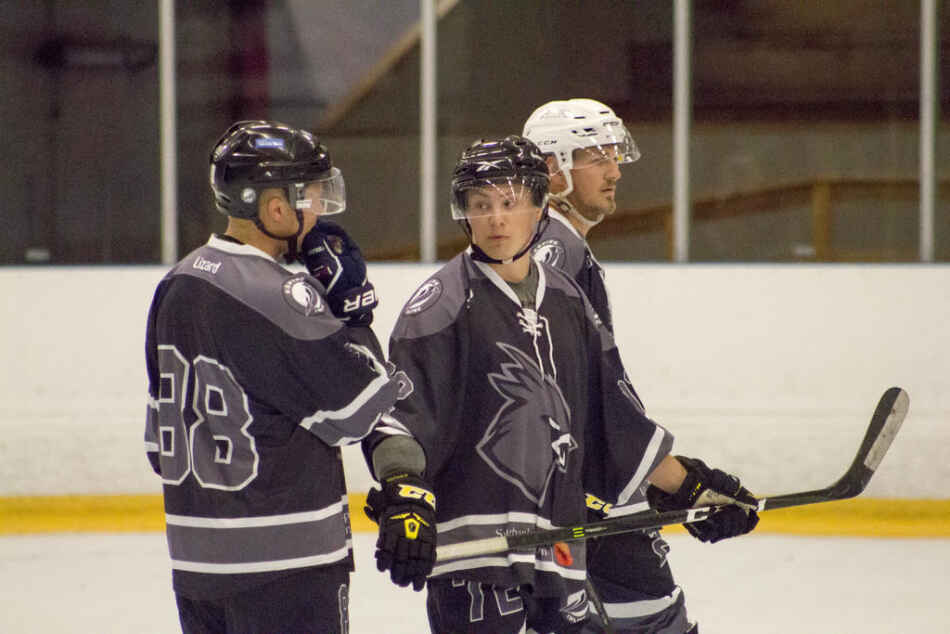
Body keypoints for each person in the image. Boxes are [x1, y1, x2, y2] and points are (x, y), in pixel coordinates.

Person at [361, 135, 758, 633]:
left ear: (539, 205)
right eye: (480, 205)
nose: (496, 219)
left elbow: (613, 420)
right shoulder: (441, 304)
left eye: (509, 202)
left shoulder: (568, 299)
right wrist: (404, 491)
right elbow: (402, 416)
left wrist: (691, 487)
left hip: (561, 550)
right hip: (477, 556)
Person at [144, 120, 400, 633]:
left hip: (197, 568)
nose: (320, 209)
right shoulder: (276, 295)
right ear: (276, 208)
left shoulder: (177, 283)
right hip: (285, 567)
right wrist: (353, 313)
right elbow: (364, 408)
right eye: (311, 195)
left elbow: (158, 448)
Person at [524, 98, 760, 633]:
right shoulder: (556, 253)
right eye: (596, 157)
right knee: (653, 621)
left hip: (577, 483)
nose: (614, 171)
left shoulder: (551, 247)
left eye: (614, 155)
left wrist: (657, 477)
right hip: (580, 490)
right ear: (553, 169)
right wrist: (677, 480)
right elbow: (584, 396)